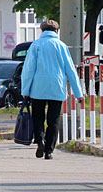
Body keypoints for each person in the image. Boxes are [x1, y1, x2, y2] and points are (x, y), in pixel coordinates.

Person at [20, 19, 84, 160]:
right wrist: (78, 93)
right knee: (53, 120)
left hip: (38, 88)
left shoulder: (36, 45)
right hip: (57, 87)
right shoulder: (61, 46)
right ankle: (49, 151)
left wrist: (25, 91)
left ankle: (40, 141)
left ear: (42, 30)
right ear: (56, 31)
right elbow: (71, 70)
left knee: (38, 117)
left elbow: (29, 70)